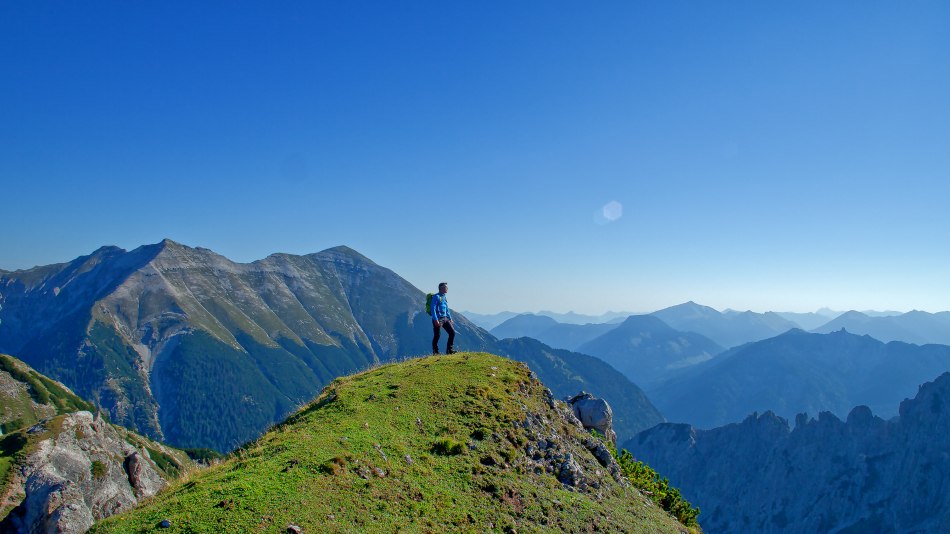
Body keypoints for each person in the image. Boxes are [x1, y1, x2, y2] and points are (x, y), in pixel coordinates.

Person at [430, 282, 456, 354]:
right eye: (445, 287)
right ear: (441, 288)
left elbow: (446, 309)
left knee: (452, 332)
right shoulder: (436, 296)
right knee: (437, 335)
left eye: (447, 287)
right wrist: (435, 319)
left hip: (445, 318)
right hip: (438, 319)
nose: (447, 288)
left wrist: (450, 318)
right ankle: (435, 352)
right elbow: (433, 308)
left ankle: (449, 351)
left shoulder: (444, 297)